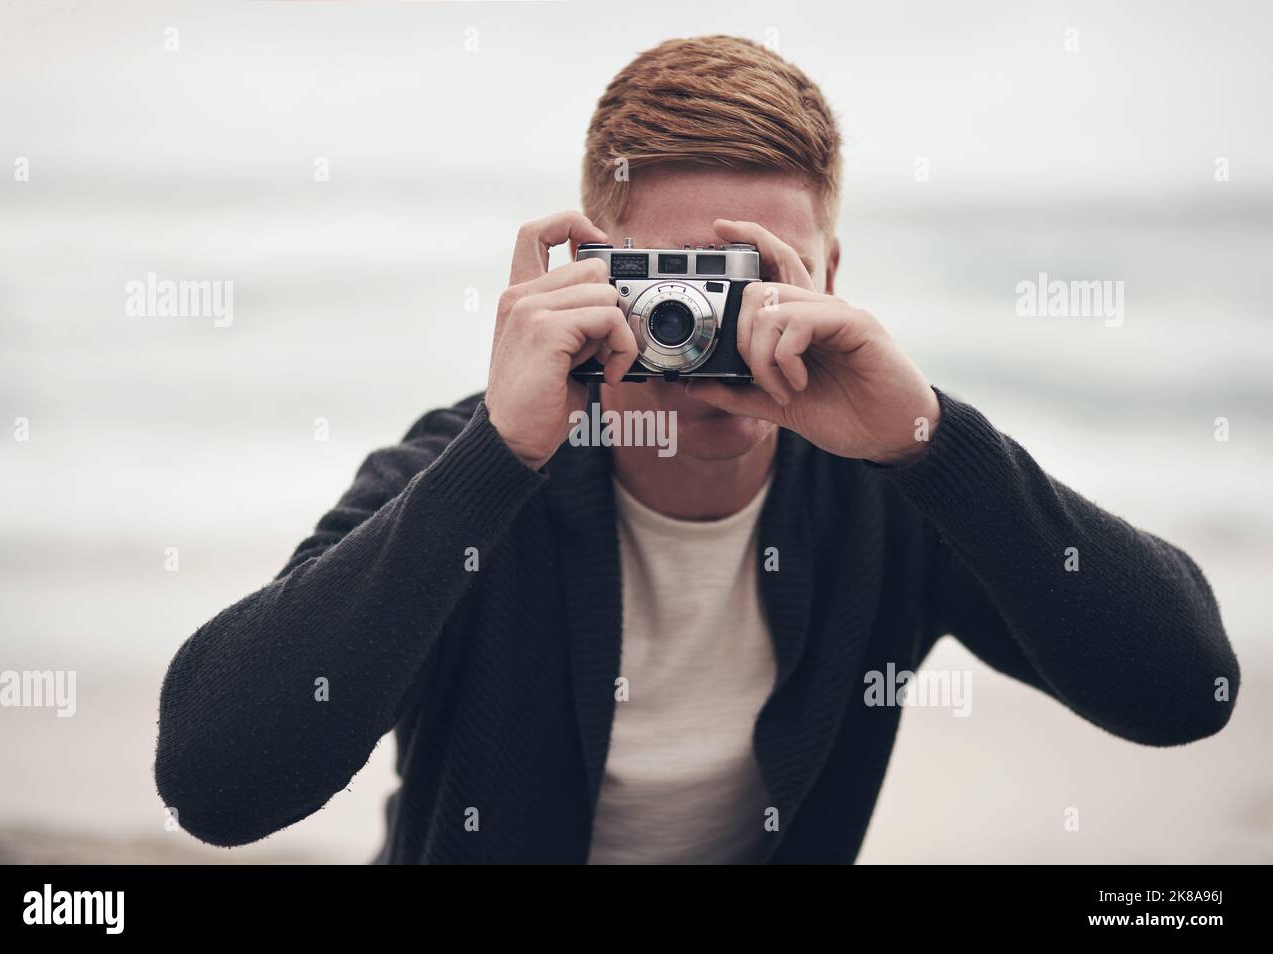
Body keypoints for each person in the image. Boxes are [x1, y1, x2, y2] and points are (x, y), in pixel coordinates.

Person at [154, 35, 1240, 864]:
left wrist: (930, 443)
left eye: (757, 284)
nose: (709, 332)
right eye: (672, 288)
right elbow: (217, 784)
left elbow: (1186, 691)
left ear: (830, 280)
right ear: (581, 271)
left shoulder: (895, 488)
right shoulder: (474, 473)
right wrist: (497, 455)